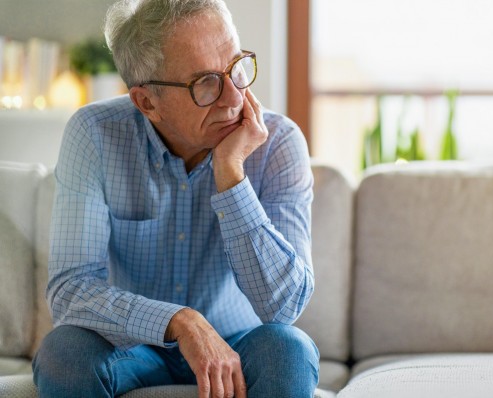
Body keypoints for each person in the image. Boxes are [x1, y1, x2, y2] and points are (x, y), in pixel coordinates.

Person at [32, 0, 319, 396]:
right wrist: (181, 322)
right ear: (147, 102)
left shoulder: (278, 142)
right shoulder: (95, 134)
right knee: (63, 353)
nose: (234, 98)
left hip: (238, 346)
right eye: (205, 83)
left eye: (236, 67)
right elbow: (70, 291)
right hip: (132, 346)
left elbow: (283, 308)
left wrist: (231, 174)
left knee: (289, 351)